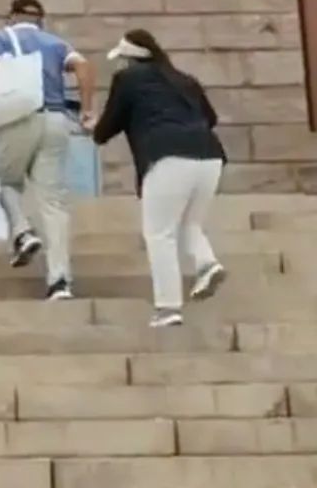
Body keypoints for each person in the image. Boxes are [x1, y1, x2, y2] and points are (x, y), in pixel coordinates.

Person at [91, 29, 230, 328]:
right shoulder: (184, 79)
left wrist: (93, 125)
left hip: (167, 157)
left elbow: (105, 131)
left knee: (159, 233)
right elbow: (211, 118)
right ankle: (207, 264)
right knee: (188, 223)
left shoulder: (127, 80)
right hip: (210, 157)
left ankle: (168, 308)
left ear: (129, 59)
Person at [0, 0, 87, 301]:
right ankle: (60, 282)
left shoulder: (2, 37)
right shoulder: (56, 43)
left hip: (18, 118)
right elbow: (83, 66)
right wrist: (88, 110)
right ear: (40, 18)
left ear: (12, 16)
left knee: (0, 178)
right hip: (56, 120)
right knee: (53, 204)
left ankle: (23, 232)